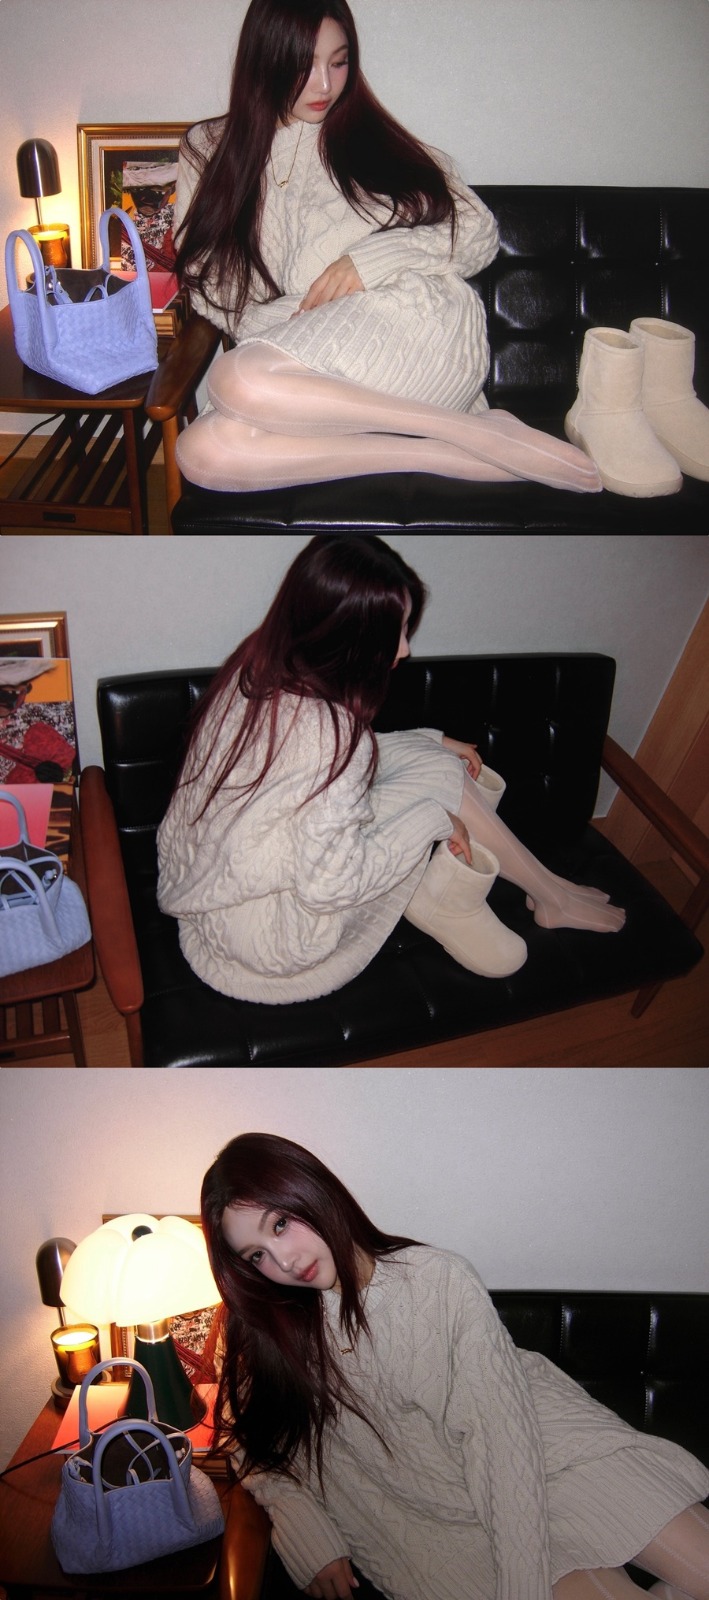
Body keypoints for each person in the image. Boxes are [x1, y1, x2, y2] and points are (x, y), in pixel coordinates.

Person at [201, 1130, 709, 1600]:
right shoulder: (266, 1337)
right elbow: (247, 1443)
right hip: (437, 1526)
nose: (284, 1262)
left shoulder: (437, 1281)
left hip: (548, 1453)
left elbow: (501, 1441)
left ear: (312, 1190)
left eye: (281, 1224)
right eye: (256, 1256)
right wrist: (303, 1522)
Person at [156, 535, 624, 1005]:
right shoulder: (328, 735)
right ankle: (511, 897)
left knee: (437, 763)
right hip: (274, 935)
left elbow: (298, 767)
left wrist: (428, 740)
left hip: (218, 893)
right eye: (395, 632)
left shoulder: (261, 661)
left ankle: (545, 889)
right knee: (439, 785)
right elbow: (331, 885)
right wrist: (436, 821)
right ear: (346, 634)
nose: (405, 649)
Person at [171, 0, 602, 497]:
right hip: (307, 354)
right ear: (263, 61)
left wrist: (370, 261)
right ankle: (453, 442)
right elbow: (217, 290)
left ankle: (450, 428)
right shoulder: (208, 149)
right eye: (303, 66)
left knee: (235, 379)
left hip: (418, 322)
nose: (325, 86)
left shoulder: (371, 141)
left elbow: (479, 230)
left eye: (339, 62)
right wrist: (284, 314)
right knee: (200, 452)